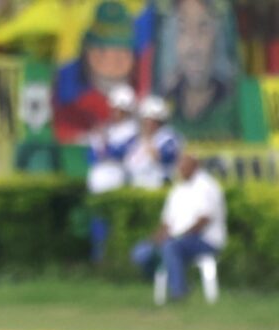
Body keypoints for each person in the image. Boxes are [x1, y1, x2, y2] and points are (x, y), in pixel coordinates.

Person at [131, 155, 226, 301]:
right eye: (179, 166)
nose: (180, 170)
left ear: (195, 166)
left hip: (205, 240)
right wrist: (155, 239)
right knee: (141, 252)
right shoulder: (178, 190)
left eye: (183, 166)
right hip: (177, 239)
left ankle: (179, 291)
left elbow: (204, 220)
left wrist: (179, 236)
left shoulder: (207, 186)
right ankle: (176, 283)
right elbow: (167, 222)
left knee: (171, 247)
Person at [54, 0, 135, 143]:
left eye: (125, 52)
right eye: (113, 52)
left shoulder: (138, 99)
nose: (119, 61)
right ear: (92, 54)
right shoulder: (79, 102)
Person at [160, 0, 240, 140]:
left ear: (219, 37)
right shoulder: (164, 103)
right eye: (182, 30)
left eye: (203, 29)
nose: (192, 49)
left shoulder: (233, 105)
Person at [87, 84, 138, 262]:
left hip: (116, 181)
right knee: (97, 225)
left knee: (116, 224)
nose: (115, 112)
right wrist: (104, 146)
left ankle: (116, 261)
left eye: (119, 109)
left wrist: (105, 146)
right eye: (114, 108)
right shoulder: (107, 128)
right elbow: (92, 155)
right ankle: (99, 260)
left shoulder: (132, 130)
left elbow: (119, 153)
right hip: (97, 183)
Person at [125, 95, 182, 190]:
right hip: (137, 184)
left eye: (149, 119)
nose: (146, 123)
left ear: (158, 120)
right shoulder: (137, 138)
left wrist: (148, 142)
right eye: (144, 119)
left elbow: (166, 157)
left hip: (159, 184)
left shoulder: (168, 138)